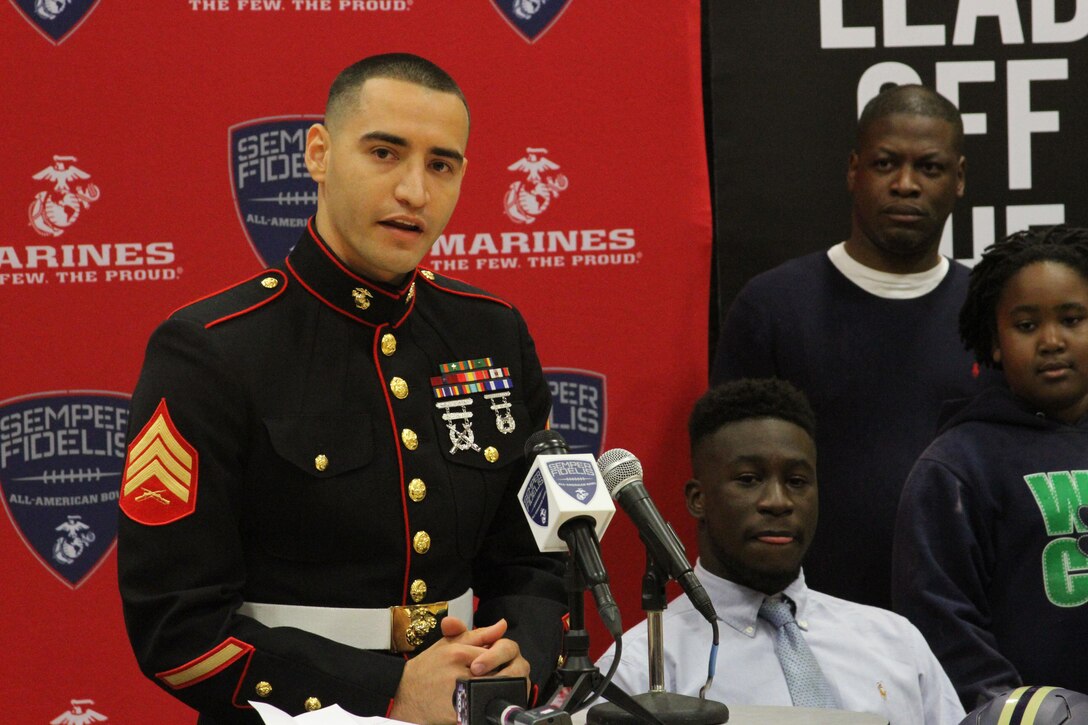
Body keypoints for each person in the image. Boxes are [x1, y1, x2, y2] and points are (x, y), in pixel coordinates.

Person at [116, 53, 567, 724]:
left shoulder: (492, 333)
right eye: (385, 153)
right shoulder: (211, 349)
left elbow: (536, 558)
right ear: (319, 154)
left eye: (440, 165)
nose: (414, 190)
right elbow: (176, 628)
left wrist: (519, 661)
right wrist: (384, 690)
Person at [710, 84, 989, 610]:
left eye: (929, 168)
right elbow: (728, 476)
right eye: (886, 164)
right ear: (854, 169)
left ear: (959, 179)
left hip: (963, 612)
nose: (906, 185)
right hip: (804, 615)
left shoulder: (990, 313)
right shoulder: (773, 306)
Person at [595, 378, 965, 723]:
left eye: (796, 481)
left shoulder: (897, 643)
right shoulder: (642, 667)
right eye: (749, 480)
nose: (777, 501)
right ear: (698, 499)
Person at [892, 226, 1088, 710]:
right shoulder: (958, 465)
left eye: (1072, 319)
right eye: (1026, 325)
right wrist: (1023, 713)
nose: (1051, 341)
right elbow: (943, 621)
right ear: (994, 341)